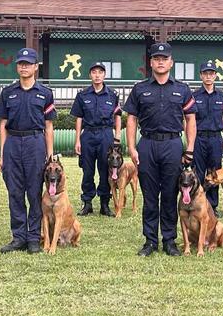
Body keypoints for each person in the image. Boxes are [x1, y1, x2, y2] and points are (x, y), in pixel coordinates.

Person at [124, 42, 197, 257]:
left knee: (169, 193)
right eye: (156, 59)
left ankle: (169, 240)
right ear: (151, 62)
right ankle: (150, 241)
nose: (160, 62)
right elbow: (131, 119)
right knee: (149, 195)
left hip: (173, 145)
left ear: (171, 62)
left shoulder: (182, 89)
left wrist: (190, 147)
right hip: (147, 144)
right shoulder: (140, 89)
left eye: (164, 59)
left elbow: (191, 119)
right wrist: (131, 147)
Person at [0, 48, 55, 254]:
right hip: (13, 142)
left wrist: (49, 155)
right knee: (15, 192)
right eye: (21, 63)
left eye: (28, 64)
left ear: (36, 67)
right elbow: (3, 125)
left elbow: (48, 126)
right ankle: (19, 236)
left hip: (35, 143)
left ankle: (33, 237)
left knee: (34, 191)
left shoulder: (45, 93)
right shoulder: (8, 92)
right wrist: (3, 154)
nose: (24, 67)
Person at [71, 61, 122, 217]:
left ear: (104, 75)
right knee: (87, 170)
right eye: (94, 72)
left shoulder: (112, 95)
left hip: (106, 134)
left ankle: (104, 204)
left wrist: (117, 137)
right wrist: (78, 140)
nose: (97, 75)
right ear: (90, 75)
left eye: (100, 72)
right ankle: (87, 203)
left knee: (105, 170)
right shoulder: (82, 95)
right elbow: (79, 118)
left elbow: (118, 116)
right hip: (88, 135)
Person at [191, 60, 223, 215]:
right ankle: (198, 203)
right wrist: (190, 141)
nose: (208, 76)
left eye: (211, 73)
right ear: (201, 76)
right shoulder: (194, 95)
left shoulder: (222, 96)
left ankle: (212, 206)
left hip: (215, 139)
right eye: (205, 73)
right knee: (199, 172)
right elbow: (189, 119)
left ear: (215, 75)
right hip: (199, 138)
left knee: (214, 173)